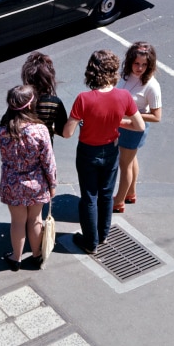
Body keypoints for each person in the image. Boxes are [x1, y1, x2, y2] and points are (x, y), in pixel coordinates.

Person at [63, 50, 145, 254]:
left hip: (88, 153)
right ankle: (104, 235)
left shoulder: (83, 98)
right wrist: (119, 121)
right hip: (111, 151)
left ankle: (90, 242)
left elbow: (67, 133)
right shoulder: (124, 96)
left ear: (92, 72)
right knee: (106, 195)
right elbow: (140, 126)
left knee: (89, 197)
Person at [0, 85, 57, 271]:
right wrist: (52, 183)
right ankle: (37, 255)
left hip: (12, 182)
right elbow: (48, 161)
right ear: (30, 105)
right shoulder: (40, 130)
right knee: (35, 219)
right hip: (36, 182)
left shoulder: (1, 131)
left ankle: (16, 258)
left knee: (18, 222)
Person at [112, 42, 162, 213]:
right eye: (136, 63)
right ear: (130, 61)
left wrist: (129, 115)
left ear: (150, 65)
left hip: (133, 129)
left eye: (144, 64)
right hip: (124, 125)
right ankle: (131, 193)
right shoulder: (126, 75)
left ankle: (118, 201)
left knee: (124, 163)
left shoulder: (152, 86)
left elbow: (156, 116)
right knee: (131, 160)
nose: (139, 68)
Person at [21, 51, 68, 145]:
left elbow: (6, 123)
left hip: (23, 151)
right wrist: (50, 128)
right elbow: (63, 131)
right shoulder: (54, 102)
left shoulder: (21, 99)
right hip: (45, 150)